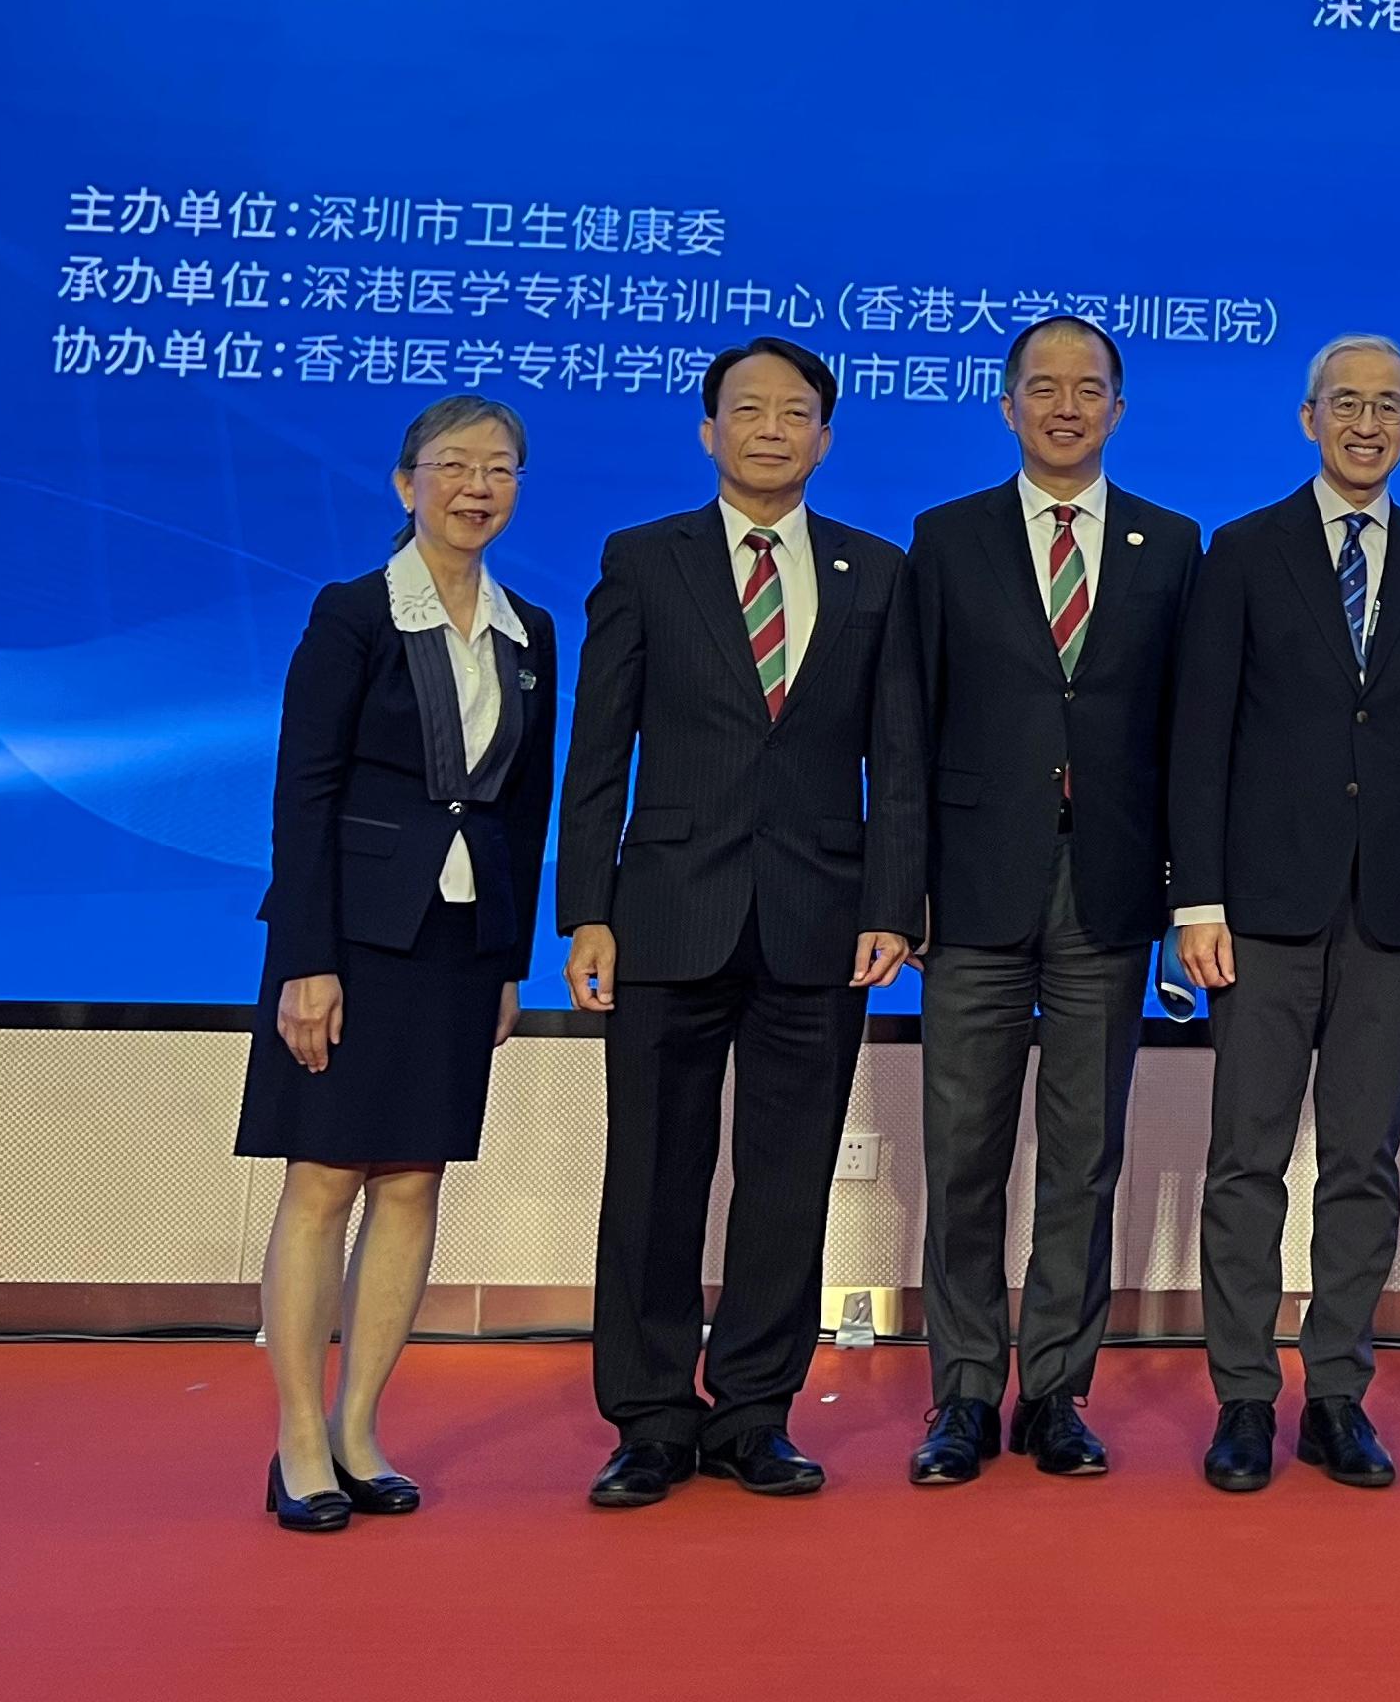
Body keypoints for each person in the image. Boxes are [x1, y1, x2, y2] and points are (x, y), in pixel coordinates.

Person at [557, 337, 922, 1509]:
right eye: (747, 409)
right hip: (667, 911)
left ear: (826, 436)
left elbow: (898, 761)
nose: (771, 427)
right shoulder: (644, 560)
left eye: (796, 411)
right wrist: (587, 910)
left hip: (819, 919)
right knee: (653, 1174)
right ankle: (652, 1417)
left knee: (787, 1175)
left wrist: (893, 905)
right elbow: (599, 746)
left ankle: (757, 1410)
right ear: (708, 431)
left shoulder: (877, 572)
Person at [890, 312, 1202, 1489]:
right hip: (971, 893)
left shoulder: (1170, 547)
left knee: (1083, 1155)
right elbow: (908, 734)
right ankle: (964, 1391)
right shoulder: (948, 537)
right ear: (1006, 404)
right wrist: (903, 889)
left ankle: (1059, 1391)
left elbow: (1187, 739)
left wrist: (1185, 895)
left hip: (1111, 894)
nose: (1065, 406)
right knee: (962, 1151)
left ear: (1118, 410)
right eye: (1042, 387)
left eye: (1088, 389)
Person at [237, 395, 557, 1532]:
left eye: (502, 469)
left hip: (459, 946)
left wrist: (512, 958)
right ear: (404, 482)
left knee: (414, 1180)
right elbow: (303, 792)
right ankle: (296, 1438)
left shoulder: (531, 631)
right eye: (455, 465)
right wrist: (305, 962)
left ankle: (362, 1425)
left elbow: (525, 810)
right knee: (324, 1181)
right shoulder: (354, 615)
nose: (478, 487)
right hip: (353, 944)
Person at [1168, 333, 1400, 1492]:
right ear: (1307, 419)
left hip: (1393, 912)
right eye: (1345, 403)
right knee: (1244, 1159)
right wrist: (1195, 897)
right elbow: (1198, 742)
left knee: (1363, 1160)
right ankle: (1243, 1393)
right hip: (1259, 910)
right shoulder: (1240, 553)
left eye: (1388, 405)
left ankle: (1337, 1389)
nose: (1366, 422)